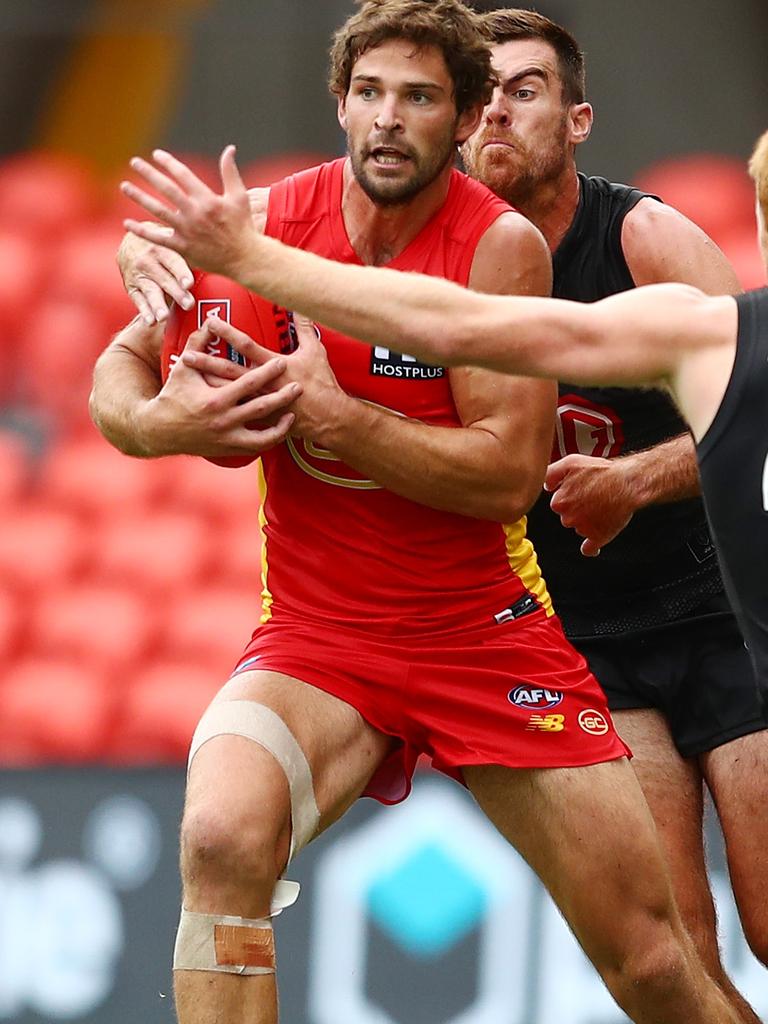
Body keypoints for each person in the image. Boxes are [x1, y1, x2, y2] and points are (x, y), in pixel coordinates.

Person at [99, 4, 749, 1023]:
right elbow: (122, 367)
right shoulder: (261, 223)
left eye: (420, 98)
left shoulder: (506, 249)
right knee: (220, 837)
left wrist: (334, 416)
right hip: (321, 642)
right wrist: (155, 420)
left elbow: (501, 482)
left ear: (457, 122)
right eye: (370, 93)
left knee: (659, 965)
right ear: (339, 103)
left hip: (491, 638)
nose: (390, 119)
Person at [458, 11, 768, 1018]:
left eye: (526, 89)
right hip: (588, 640)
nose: (498, 109)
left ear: (578, 119)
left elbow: (755, 415)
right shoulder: (437, 269)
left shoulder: (643, 236)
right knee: (669, 945)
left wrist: (632, 481)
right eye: (482, 94)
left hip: (721, 614)